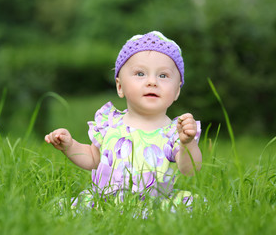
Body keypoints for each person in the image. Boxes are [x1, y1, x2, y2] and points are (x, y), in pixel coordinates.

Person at [45, 31, 202, 212]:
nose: (152, 81)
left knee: (191, 207)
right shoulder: (110, 123)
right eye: (140, 73)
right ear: (120, 86)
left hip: (156, 204)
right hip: (105, 201)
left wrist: (187, 143)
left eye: (163, 76)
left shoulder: (174, 131)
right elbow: (93, 158)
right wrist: (70, 146)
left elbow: (189, 169)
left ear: (176, 91)